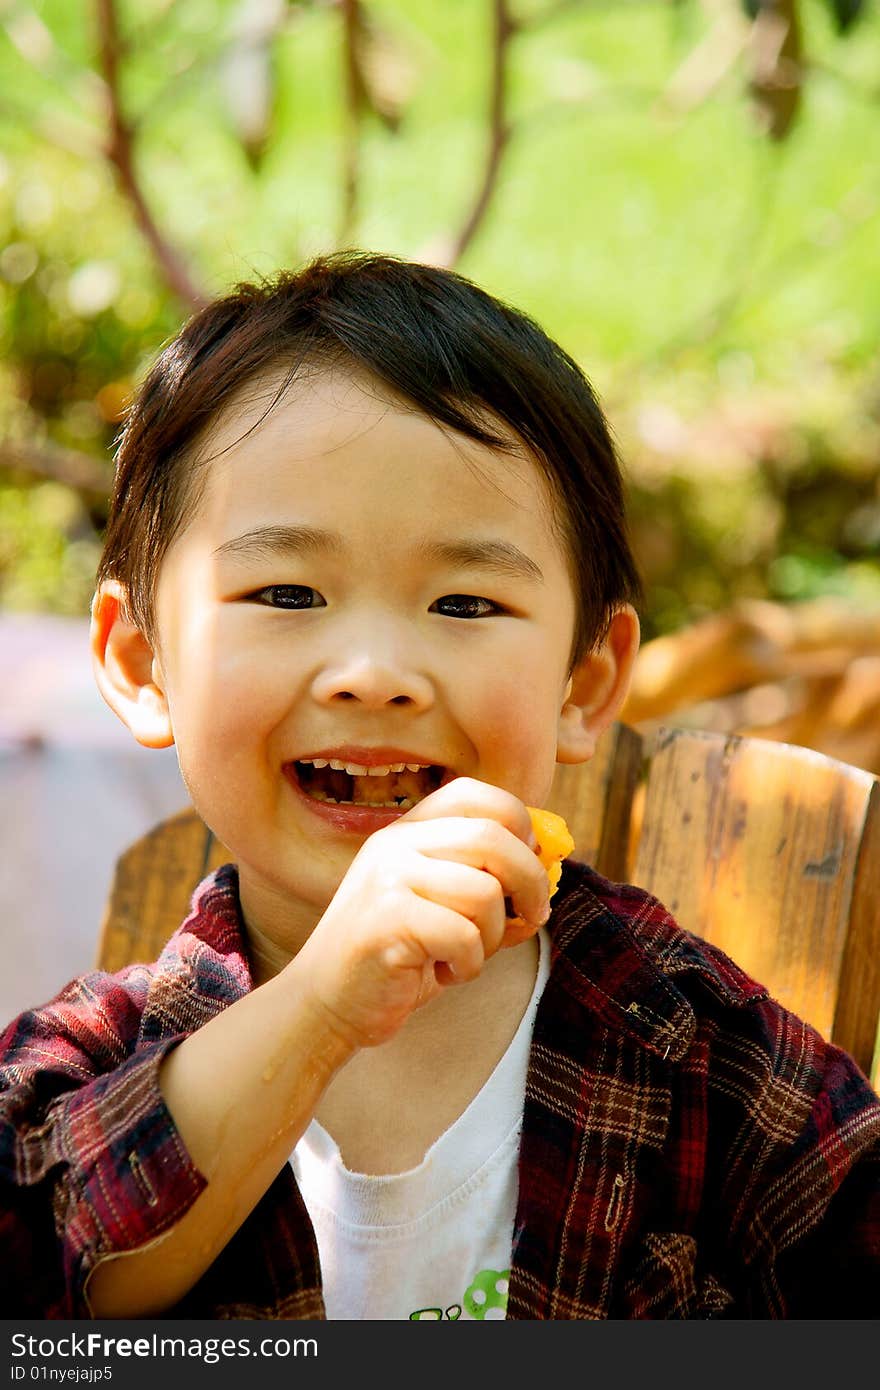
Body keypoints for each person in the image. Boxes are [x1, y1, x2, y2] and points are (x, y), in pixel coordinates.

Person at [1, 253, 877, 1321]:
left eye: (463, 604)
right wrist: (322, 1005)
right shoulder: (86, 1063)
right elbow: (43, 1277)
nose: (373, 672)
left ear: (583, 683)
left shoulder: (713, 1069)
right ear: (141, 664)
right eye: (286, 590)